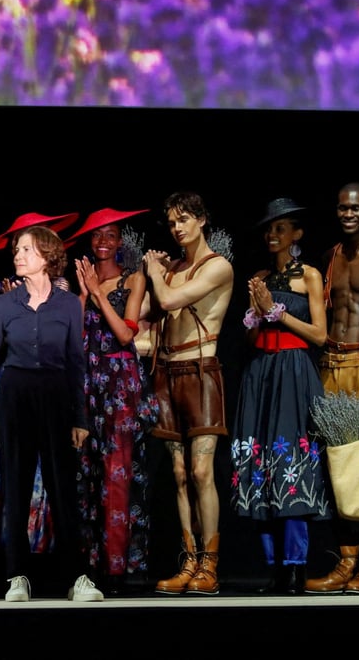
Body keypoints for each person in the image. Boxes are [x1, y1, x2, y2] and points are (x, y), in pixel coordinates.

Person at [0, 224, 102, 603]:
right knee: (15, 489)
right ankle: (16, 576)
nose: (17, 255)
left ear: (46, 257)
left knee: (62, 489)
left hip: (55, 396)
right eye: (16, 249)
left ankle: (78, 578)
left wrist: (79, 418)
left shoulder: (69, 304)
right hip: (15, 395)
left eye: (24, 249)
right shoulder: (5, 304)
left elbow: (76, 363)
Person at [230, 197, 329, 595]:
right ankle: (273, 567)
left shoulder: (310, 276)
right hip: (262, 373)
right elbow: (251, 339)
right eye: (269, 229)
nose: (273, 235)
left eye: (281, 228)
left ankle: (295, 567)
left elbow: (320, 336)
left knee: (292, 464)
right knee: (262, 467)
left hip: (294, 371)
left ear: (298, 234)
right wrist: (255, 315)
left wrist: (278, 313)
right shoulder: (258, 277)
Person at [142, 191, 234, 595]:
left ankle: (210, 566)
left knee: (201, 471)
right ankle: (190, 562)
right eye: (172, 222)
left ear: (202, 220)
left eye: (183, 220)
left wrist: (152, 270)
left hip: (201, 371)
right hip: (168, 372)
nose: (176, 228)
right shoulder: (174, 267)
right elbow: (148, 322)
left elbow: (169, 299)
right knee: (179, 475)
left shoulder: (217, 267)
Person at [68, 207, 160, 596]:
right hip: (89, 382)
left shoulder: (134, 279)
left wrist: (98, 294)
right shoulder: (83, 286)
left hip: (120, 383)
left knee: (118, 473)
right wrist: (84, 295)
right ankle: (93, 569)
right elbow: (75, 335)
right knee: (89, 475)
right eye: (97, 236)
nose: (103, 242)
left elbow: (125, 334)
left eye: (110, 235)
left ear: (121, 242)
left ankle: (120, 567)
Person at [305, 182, 359, 595]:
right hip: (332, 364)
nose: (348, 214)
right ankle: (346, 562)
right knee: (338, 468)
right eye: (341, 208)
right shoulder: (329, 258)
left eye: (356, 208)